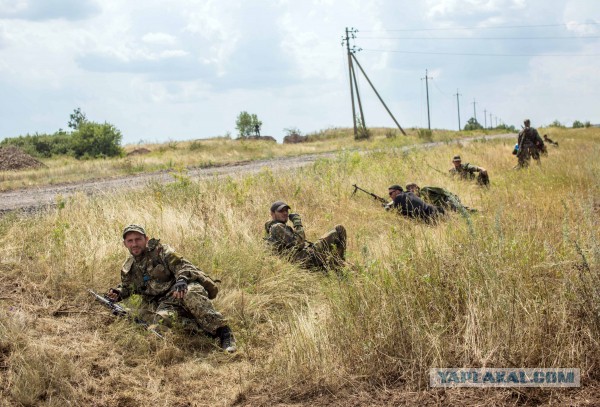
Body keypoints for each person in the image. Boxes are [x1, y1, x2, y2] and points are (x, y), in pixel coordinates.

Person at [106, 224, 236, 353]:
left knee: (190, 293)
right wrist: (118, 293)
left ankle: (224, 332)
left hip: (181, 291)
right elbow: (128, 287)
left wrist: (182, 280)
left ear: (146, 239)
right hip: (166, 303)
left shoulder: (161, 251)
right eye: (130, 241)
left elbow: (184, 266)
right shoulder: (129, 267)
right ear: (125, 244)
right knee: (159, 322)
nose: (134, 244)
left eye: (138, 239)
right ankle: (205, 332)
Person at [264, 201, 347, 272]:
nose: (285, 213)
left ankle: (338, 264)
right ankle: (339, 265)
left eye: (286, 211)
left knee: (335, 252)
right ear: (272, 214)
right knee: (339, 229)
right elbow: (299, 244)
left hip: (304, 256)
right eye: (281, 211)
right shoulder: (277, 227)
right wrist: (297, 223)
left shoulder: (275, 228)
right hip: (305, 258)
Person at [405, 183, 476, 213]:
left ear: (417, 187)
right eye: (409, 189)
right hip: (442, 208)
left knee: (461, 210)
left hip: (447, 200)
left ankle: (475, 212)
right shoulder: (417, 200)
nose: (411, 190)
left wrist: (452, 198)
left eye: (412, 187)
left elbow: (442, 191)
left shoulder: (425, 190)